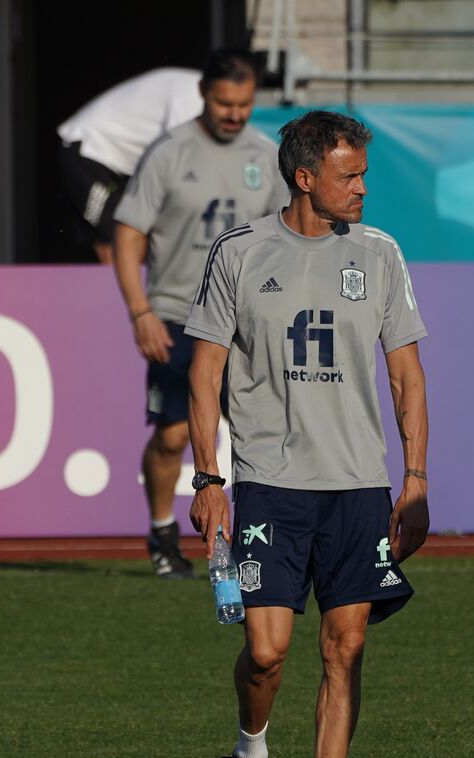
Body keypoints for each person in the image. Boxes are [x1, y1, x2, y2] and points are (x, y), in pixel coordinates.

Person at [185, 110, 430, 758]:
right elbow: (205, 373)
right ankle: (250, 754)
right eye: (348, 175)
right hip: (269, 483)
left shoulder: (381, 254)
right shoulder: (239, 252)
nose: (362, 188)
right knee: (267, 651)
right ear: (304, 177)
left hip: (359, 485)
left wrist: (415, 478)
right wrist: (208, 477)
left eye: (362, 173)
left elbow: (405, 373)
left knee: (344, 647)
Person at [112, 50, 289, 579]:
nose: (234, 113)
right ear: (204, 96)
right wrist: (140, 311)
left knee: (259, 433)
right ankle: (163, 531)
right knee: (173, 434)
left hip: (245, 320)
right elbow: (128, 233)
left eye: (243, 103)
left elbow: (284, 233)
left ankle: (256, 539)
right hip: (177, 314)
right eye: (223, 102)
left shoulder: (266, 153)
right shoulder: (168, 153)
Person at [57, 67, 203, 264]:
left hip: (120, 167)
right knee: (118, 241)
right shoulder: (192, 97)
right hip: (89, 151)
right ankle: (113, 295)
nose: (235, 114)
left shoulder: (200, 93)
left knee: (137, 239)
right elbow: (176, 167)